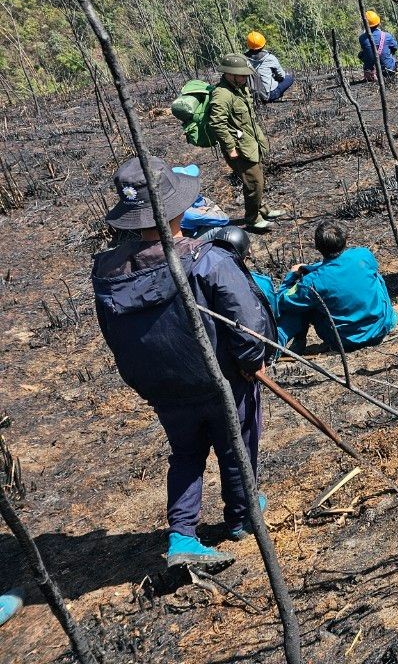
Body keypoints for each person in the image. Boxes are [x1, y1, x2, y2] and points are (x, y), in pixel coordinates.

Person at [91, 158, 274, 570]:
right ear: (176, 208)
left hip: (164, 387)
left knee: (186, 453)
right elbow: (247, 322)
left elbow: (112, 333)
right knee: (237, 442)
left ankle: (182, 536)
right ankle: (243, 515)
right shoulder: (206, 259)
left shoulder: (106, 271)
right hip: (221, 379)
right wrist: (250, 361)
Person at [276, 219, 398, 351]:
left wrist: (291, 276)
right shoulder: (363, 255)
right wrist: (312, 268)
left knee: (302, 300)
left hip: (345, 342)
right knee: (374, 276)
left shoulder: (311, 283)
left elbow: (282, 300)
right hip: (381, 327)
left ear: (317, 247)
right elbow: (339, 269)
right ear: (345, 240)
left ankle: (296, 342)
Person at [207, 53, 283, 233]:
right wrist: (230, 147)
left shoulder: (240, 89)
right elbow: (217, 123)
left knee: (258, 180)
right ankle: (252, 219)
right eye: (241, 74)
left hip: (250, 143)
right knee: (253, 183)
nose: (245, 77)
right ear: (229, 74)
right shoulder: (222, 95)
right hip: (239, 149)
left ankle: (263, 210)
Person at [207, 225, 288, 351]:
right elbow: (274, 315)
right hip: (257, 350)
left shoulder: (204, 282)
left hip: (217, 348)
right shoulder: (262, 283)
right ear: (248, 252)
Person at [244, 31, 294, 103]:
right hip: (270, 95)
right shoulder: (270, 58)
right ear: (263, 44)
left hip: (252, 94)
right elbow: (281, 76)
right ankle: (276, 95)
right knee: (289, 78)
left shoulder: (243, 59)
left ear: (248, 45)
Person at [357, 9, 398, 83]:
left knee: (361, 54)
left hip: (371, 74)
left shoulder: (362, 38)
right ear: (378, 23)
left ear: (365, 25)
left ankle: (371, 70)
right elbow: (395, 48)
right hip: (388, 71)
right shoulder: (387, 36)